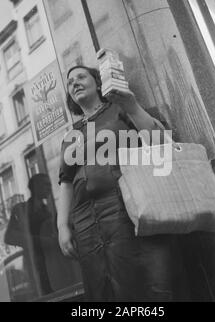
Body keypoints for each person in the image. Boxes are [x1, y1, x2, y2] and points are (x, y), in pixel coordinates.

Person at [58, 65, 189, 301]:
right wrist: (62, 226)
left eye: (80, 77)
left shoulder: (120, 110)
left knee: (146, 285)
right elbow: (65, 183)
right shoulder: (70, 136)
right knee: (103, 291)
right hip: (87, 224)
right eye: (70, 82)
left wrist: (132, 106)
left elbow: (162, 143)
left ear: (97, 83)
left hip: (128, 211)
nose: (74, 83)